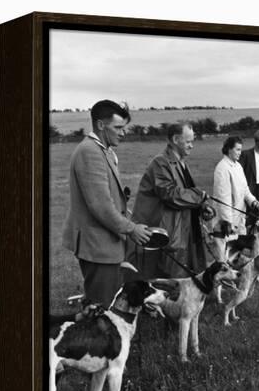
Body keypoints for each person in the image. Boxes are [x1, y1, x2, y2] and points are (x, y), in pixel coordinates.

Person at [62, 99, 152, 308]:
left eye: (124, 128)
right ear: (101, 125)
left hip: (104, 241)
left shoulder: (104, 150)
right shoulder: (90, 152)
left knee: (109, 298)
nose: (123, 133)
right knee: (101, 304)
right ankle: (92, 337)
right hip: (96, 243)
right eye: (118, 128)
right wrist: (131, 229)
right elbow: (100, 206)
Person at [129, 122, 214, 279]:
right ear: (176, 139)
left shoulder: (181, 163)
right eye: (188, 142)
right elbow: (170, 194)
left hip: (183, 231)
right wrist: (199, 197)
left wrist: (203, 207)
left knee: (181, 279)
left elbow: (187, 194)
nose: (191, 146)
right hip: (167, 233)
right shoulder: (160, 163)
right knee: (164, 280)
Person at [212, 136, 259, 239]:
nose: (240, 152)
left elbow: (245, 189)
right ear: (229, 149)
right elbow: (223, 200)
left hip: (239, 219)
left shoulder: (238, 166)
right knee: (227, 253)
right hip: (226, 224)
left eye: (241, 150)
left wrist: (253, 201)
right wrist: (228, 223)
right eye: (237, 149)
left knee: (240, 252)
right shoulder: (222, 168)